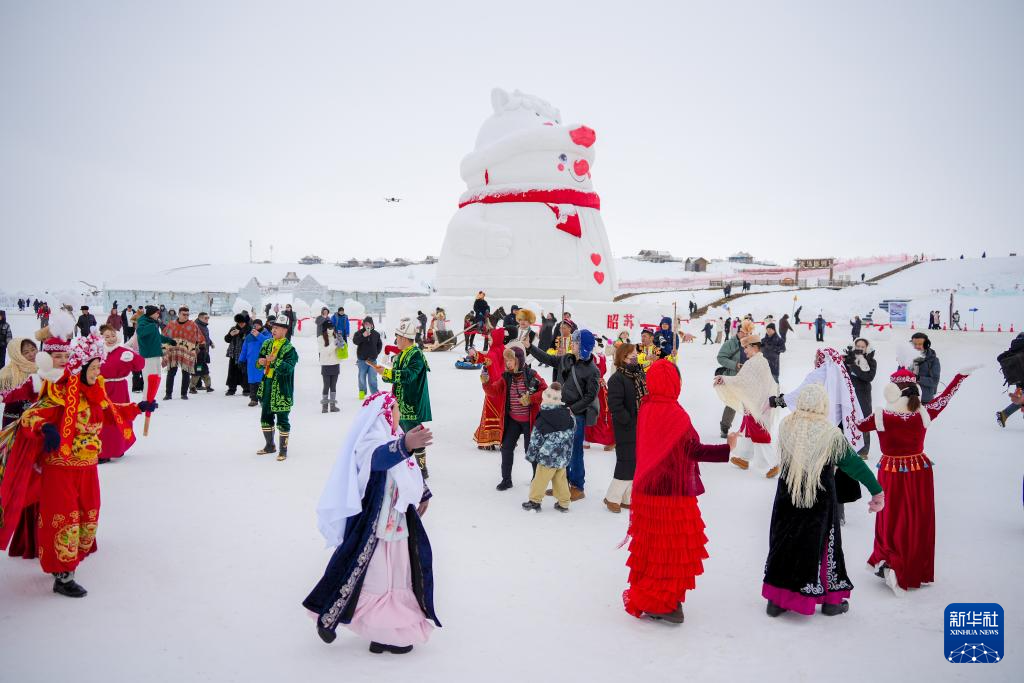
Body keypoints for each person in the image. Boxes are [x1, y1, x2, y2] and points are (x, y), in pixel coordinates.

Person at [0, 334, 154, 597]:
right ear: (81, 368)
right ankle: (62, 575)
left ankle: (73, 560)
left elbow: (110, 414)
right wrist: (46, 427)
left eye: (98, 367)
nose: (98, 372)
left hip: (87, 468)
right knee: (64, 519)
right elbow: (29, 417)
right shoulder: (60, 392)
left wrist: (138, 407)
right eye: (94, 368)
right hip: (60, 470)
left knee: (88, 513)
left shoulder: (94, 394)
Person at [303, 394, 438, 653]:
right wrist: (404, 444)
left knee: (397, 579)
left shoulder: (394, 434)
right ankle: (332, 616)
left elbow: (408, 470)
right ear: (384, 412)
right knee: (373, 579)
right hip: (374, 528)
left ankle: (385, 635)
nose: (398, 413)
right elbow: (378, 459)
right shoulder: (370, 439)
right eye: (396, 409)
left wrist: (423, 492)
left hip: (397, 524)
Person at [623, 360, 738, 623]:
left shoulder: (647, 409)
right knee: (675, 550)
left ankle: (656, 599)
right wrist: (726, 448)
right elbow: (692, 451)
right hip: (671, 496)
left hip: (646, 492)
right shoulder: (676, 414)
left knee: (653, 550)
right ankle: (663, 602)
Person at [762, 384, 884, 618]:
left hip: (788, 498)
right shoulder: (830, 434)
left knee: (784, 543)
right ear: (823, 405)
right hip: (818, 500)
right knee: (821, 546)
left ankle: (777, 601)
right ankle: (831, 602)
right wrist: (876, 491)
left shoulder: (787, 425)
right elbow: (854, 464)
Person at [857, 367, 971, 594]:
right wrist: (959, 377)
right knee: (916, 518)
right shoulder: (924, 412)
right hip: (919, 471)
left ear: (892, 392)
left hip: (890, 471)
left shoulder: (881, 416)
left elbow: (857, 426)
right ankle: (910, 564)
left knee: (891, 517)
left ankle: (890, 559)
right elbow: (945, 397)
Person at [526, 329, 599, 501]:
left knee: (574, 452)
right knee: (561, 450)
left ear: (583, 347)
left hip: (576, 415)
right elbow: (549, 359)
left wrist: (572, 410)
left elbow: (590, 396)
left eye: (575, 342)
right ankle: (562, 485)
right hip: (560, 410)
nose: (571, 344)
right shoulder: (567, 359)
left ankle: (578, 486)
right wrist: (531, 348)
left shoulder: (592, 370)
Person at [476, 345, 547, 490]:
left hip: (529, 421)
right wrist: (486, 382)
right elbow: (493, 392)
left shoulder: (532, 375)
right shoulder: (506, 377)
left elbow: (545, 391)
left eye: (511, 360)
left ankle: (536, 480)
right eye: (506, 360)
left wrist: (531, 399)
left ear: (519, 360)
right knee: (506, 448)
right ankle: (506, 480)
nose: (507, 363)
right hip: (513, 420)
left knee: (531, 450)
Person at [372, 319, 432, 477]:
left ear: (405, 338)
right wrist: (383, 372)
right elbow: (392, 377)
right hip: (399, 403)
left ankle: (421, 468)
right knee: (402, 434)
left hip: (411, 403)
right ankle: (407, 464)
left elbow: (409, 375)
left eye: (397, 337)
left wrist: (388, 373)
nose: (396, 340)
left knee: (415, 434)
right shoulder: (400, 356)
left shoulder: (416, 355)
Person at [715, 334, 779, 478]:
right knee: (748, 429)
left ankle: (773, 463)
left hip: (755, 405)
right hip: (757, 403)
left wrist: (724, 379)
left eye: (746, 347)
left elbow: (742, 381)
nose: (744, 351)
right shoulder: (761, 361)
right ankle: (743, 458)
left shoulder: (753, 362)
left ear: (753, 346)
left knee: (758, 432)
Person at [604, 343, 646, 513]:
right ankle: (612, 497)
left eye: (636, 354)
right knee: (625, 462)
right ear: (623, 358)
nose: (635, 358)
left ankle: (626, 497)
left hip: (640, 425)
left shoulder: (637, 374)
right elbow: (615, 405)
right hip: (626, 427)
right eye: (632, 355)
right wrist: (629, 421)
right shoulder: (617, 378)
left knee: (635, 462)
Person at [98, 324, 146, 461]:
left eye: (113, 335)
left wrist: (132, 356)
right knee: (103, 419)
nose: (111, 339)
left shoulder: (123, 351)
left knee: (119, 416)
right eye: (107, 336)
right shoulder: (98, 352)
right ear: (102, 338)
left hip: (118, 388)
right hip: (101, 388)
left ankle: (118, 447)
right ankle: (104, 450)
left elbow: (140, 365)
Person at [523, 383, 573, 512]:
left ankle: (534, 501)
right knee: (560, 479)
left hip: (547, 456)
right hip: (562, 455)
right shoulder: (568, 415)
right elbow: (571, 433)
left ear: (545, 397)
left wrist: (531, 455)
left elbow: (536, 439)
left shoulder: (543, 417)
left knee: (540, 479)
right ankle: (564, 503)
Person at [255, 320, 299, 461]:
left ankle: (283, 450)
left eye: (277, 328)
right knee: (266, 416)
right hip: (267, 384)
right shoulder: (267, 343)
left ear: (285, 331)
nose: (273, 330)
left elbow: (288, 369)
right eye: (273, 327)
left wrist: (274, 361)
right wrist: (260, 362)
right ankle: (270, 445)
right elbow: (259, 361)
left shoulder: (289, 349)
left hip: (282, 388)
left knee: (282, 419)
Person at [471, 328, 508, 451]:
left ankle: (488, 440)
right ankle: (502, 438)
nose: (489, 341)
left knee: (490, 413)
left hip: (492, 387)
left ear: (496, 339)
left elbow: (486, 359)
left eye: (491, 339)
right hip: (504, 388)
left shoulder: (493, 352)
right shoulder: (504, 349)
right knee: (502, 414)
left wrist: (475, 355)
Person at [715, 321, 749, 438]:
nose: (745, 335)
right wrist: (735, 365)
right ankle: (725, 428)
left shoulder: (750, 344)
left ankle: (749, 429)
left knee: (749, 405)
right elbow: (720, 357)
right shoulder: (730, 343)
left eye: (748, 333)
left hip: (747, 378)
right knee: (732, 403)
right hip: (733, 377)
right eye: (743, 332)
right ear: (738, 332)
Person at [162, 306, 203, 401]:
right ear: (179, 314)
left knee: (186, 372)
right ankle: (168, 394)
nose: (186, 316)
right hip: (173, 351)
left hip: (187, 351)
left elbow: (200, 337)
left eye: (187, 315)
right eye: (184, 314)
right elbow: (164, 335)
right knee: (171, 372)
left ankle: (184, 394)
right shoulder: (171, 324)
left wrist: (200, 346)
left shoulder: (193, 325)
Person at [844, 339, 877, 457]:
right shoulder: (849, 358)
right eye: (858, 345)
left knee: (864, 421)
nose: (860, 348)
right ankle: (848, 448)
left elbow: (868, 377)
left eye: (862, 346)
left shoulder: (871, 361)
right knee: (849, 420)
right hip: (849, 395)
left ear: (867, 348)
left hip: (863, 396)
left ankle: (864, 451)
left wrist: (853, 367)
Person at [583, 345, 615, 451]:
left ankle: (607, 439)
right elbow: (604, 370)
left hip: (592, 388)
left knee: (598, 412)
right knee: (596, 412)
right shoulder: (600, 356)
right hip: (595, 386)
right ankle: (587, 439)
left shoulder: (590, 356)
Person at [0, 338, 39, 426]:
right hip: (14, 419)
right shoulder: (8, 374)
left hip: (37, 418)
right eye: (26, 352)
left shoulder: (42, 368)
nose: (32, 354)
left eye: (33, 349)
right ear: (17, 355)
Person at [237, 318, 270, 407]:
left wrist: (258, 335)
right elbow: (244, 349)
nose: (256, 326)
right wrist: (241, 360)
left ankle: (263, 399)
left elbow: (268, 342)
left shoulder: (266, 334)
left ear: (261, 325)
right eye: (254, 325)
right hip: (251, 362)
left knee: (261, 381)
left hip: (262, 362)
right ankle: (253, 399)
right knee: (252, 381)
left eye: (258, 325)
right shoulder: (249, 336)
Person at [996, 332, 1024, 427]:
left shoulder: (1014, 349)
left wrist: (1011, 353)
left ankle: (1004, 414)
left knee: (1021, 400)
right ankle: (1004, 414)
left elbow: (999, 358)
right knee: (1021, 400)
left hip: (1018, 380)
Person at [353, 316, 382, 400]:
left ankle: (375, 393)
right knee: (361, 377)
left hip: (372, 360)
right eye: (366, 324)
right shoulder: (359, 333)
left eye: (369, 324)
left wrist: (376, 353)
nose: (367, 325)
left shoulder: (376, 334)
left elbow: (379, 345)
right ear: (363, 325)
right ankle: (362, 392)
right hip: (362, 360)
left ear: (372, 325)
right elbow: (355, 341)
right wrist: (363, 335)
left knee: (372, 378)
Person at [909, 332, 941, 402]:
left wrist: (918, 378)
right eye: (915, 344)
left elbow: (934, 381)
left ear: (926, 345)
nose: (917, 346)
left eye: (920, 344)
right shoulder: (907, 358)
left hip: (924, 400)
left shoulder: (933, 360)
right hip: (907, 398)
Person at [223, 314, 250, 396]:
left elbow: (249, 339)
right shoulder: (233, 328)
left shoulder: (250, 329)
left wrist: (241, 333)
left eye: (242, 323)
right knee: (232, 372)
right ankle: (231, 388)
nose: (241, 324)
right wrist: (230, 335)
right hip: (234, 353)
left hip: (245, 354)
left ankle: (246, 389)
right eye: (239, 323)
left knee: (245, 372)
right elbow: (227, 339)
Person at [318, 320, 341, 414]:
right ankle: (324, 407)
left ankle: (332, 406)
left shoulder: (336, 336)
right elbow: (325, 352)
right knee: (326, 386)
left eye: (332, 327)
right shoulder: (320, 338)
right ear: (325, 328)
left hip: (335, 364)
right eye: (329, 328)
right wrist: (334, 344)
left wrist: (341, 344)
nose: (331, 329)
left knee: (333, 386)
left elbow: (340, 351)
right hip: (326, 365)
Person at [189, 311, 215, 394]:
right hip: (198, 353)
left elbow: (206, 337)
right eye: (205, 318)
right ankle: (193, 387)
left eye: (208, 318)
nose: (207, 319)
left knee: (204, 369)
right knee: (198, 369)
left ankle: (207, 386)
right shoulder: (195, 326)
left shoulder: (204, 326)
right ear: (200, 318)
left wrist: (210, 343)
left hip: (204, 352)